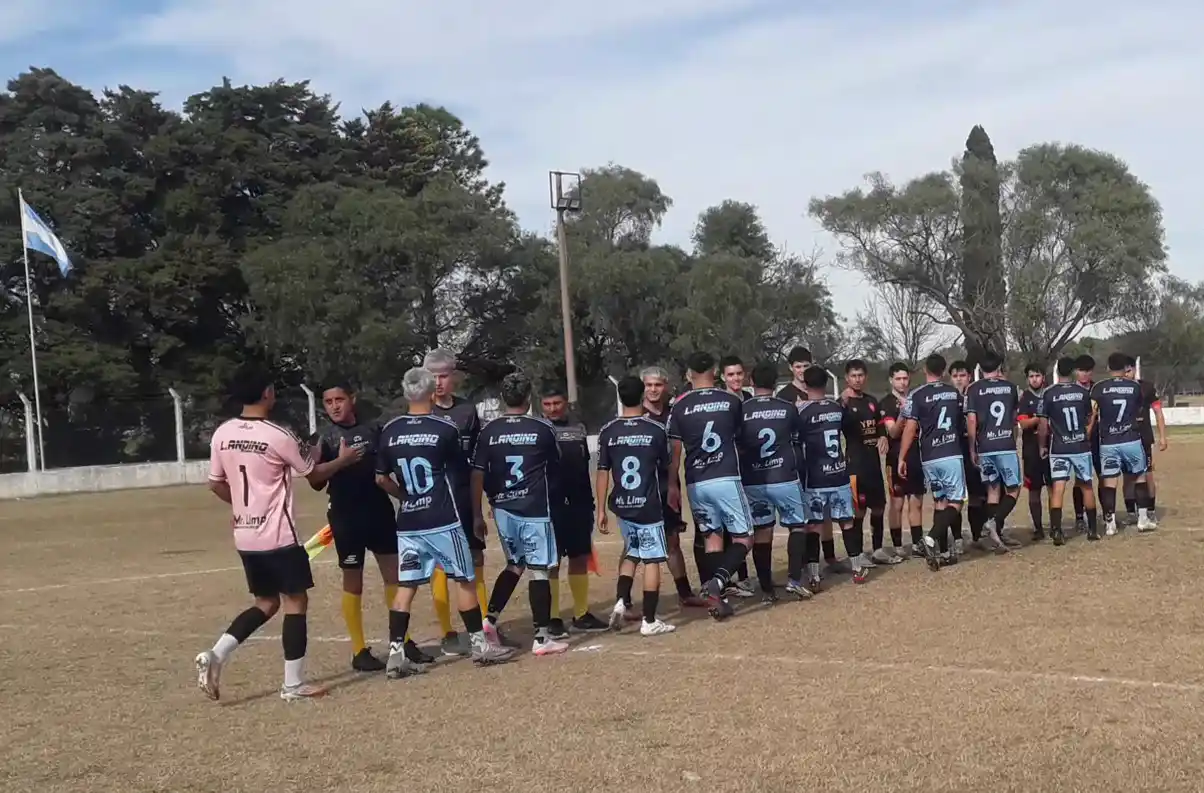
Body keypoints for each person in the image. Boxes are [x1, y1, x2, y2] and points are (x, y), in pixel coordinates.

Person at [195, 364, 362, 702]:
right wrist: (343, 460)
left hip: (245, 535)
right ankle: (293, 684)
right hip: (277, 535)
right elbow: (314, 475)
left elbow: (215, 483)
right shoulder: (276, 434)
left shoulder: (223, 433)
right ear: (267, 393)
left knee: (266, 602)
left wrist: (241, 508)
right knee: (296, 601)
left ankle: (216, 655)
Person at [374, 368, 516, 678]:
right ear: (429, 392)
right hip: (442, 518)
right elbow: (459, 472)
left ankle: (396, 654)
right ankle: (481, 645)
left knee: (406, 586)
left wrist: (405, 495)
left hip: (409, 521)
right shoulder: (444, 429)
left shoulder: (390, 430)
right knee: (464, 578)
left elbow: (381, 478)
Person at [308, 377, 430, 672]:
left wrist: (407, 496)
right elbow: (314, 479)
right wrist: (343, 461)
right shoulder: (321, 437)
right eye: (328, 402)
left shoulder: (375, 429)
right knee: (354, 581)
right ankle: (359, 650)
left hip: (379, 512)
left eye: (339, 399)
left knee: (397, 577)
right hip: (345, 517)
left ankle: (403, 642)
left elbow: (389, 467)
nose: (334, 407)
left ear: (352, 398)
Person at [471, 372, 569, 655]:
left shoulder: (488, 432)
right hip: (535, 509)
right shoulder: (542, 428)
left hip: (502, 508)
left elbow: (477, 474)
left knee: (515, 564)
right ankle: (541, 637)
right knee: (539, 569)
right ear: (529, 398)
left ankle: (489, 620)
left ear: (503, 398)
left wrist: (478, 513)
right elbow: (556, 466)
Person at [668, 351, 753, 621]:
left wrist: (673, 485)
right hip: (726, 476)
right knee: (744, 537)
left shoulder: (679, 405)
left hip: (696, 481)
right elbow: (741, 438)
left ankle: (719, 598)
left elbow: (675, 453)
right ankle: (717, 583)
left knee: (712, 539)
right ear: (716, 371)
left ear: (689, 372)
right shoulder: (730, 400)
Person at [596, 375, 677, 636]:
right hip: (648, 504)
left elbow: (602, 471)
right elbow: (666, 465)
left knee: (631, 552)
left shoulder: (608, 430)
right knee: (652, 559)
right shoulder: (655, 429)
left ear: (619, 396)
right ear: (642, 394)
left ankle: (620, 602)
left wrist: (600, 509)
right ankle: (650, 620)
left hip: (622, 503)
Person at [423, 349, 490, 658]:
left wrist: (478, 508)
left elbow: (478, 461)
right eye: (433, 376)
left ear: (454, 377)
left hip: (464, 498)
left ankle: (485, 626)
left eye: (444, 376)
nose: (438, 382)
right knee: (440, 565)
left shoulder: (467, 411)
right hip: (435, 503)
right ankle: (447, 632)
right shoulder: (422, 412)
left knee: (475, 562)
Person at [738, 361, 810, 602]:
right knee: (797, 526)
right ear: (775, 383)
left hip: (753, 480)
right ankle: (794, 581)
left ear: (751, 383)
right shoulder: (788, 408)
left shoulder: (741, 410)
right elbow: (798, 442)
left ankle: (767, 590)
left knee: (762, 532)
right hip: (784, 478)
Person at [540, 383, 608, 635]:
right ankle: (554, 617)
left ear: (566, 402)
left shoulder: (579, 428)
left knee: (579, 557)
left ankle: (581, 614)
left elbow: (584, 467)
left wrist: (590, 503)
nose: (552, 409)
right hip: (550, 505)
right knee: (552, 562)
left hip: (579, 503)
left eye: (556, 403)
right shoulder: (539, 429)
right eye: (547, 405)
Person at [639, 366, 707, 610]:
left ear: (665, 386)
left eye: (657, 385)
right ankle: (623, 600)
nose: (653, 390)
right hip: (642, 490)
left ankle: (685, 593)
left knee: (673, 541)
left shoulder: (674, 414)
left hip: (669, 486)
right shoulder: (635, 415)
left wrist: (673, 485)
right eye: (648, 385)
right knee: (634, 545)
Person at [797, 366, 868, 586]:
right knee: (847, 521)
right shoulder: (837, 408)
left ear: (805, 385)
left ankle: (814, 575)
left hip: (815, 479)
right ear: (826, 384)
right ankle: (857, 568)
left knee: (815, 526)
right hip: (838, 475)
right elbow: (850, 428)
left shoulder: (801, 411)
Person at [898, 354, 963, 570]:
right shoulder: (954, 393)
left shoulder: (916, 395)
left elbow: (909, 427)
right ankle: (931, 538)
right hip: (951, 452)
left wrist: (902, 456)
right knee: (956, 501)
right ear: (944, 372)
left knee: (940, 502)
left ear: (925, 369)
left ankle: (943, 552)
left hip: (929, 457)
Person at [1089, 353, 1155, 534]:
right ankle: (1143, 519)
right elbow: (1138, 408)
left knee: (1109, 481)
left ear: (1108, 368)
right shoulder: (1134, 386)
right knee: (1139, 477)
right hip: (1131, 439)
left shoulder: (1099, 388)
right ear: (1125, 368)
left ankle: (1110, 524)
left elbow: (1092, 413)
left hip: (1108, 442)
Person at [842, 359, 899, 565]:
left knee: (878, 508)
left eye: (860, 375)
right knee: (858, 510)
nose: (857, 379)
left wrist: (883, 435)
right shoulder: (844, 403)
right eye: (853, 376)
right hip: (856, 465)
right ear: (847, 378)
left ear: (865, 377)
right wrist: (841, 403)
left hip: (873, 464)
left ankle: (877, 550)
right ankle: (856, 555)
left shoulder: (871, 401)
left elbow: (880, 424)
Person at [1036, 357, 1098, 544]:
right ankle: (1093, 531)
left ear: (1057, 371)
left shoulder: (1048, 393)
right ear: (1072, 372)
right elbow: (1088, 419)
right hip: (1080, 446)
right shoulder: (1082, 392)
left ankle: (1056, 531)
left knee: (1058, 488)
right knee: (1086, 485)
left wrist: (1042, 445)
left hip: (1059, 448)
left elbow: (1043, 424)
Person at [964, 353, 1023, 546]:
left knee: (993, 489)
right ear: (999, 367)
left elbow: (971, 420)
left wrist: (972, 448)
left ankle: (995, 535)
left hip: (985, 446)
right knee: (1014, 489)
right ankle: (995, 523)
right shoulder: (1011, 387)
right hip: (1005, 444)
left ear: (980, 369)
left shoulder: (973, 389)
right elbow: (1014, 418)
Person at [717, 354, 754, 595]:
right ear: (722, 377)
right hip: (727, 470)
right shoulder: (720, 402)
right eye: (731, 374)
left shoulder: (749, 399)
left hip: (749, 469)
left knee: (746, 523)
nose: (736, 378)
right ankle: (725, 579)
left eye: (739, 373)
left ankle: (744, 576)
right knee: (730, 527)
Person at [879, 363, 926, 558]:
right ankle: (898, 545)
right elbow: (893, 431)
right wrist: (903, 413)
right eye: (898, 378)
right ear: (891, 380)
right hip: (895, 457)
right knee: (897, 503)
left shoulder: (917, 399)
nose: (902, 382)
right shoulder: (887, 403)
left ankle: (917, 543)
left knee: (916, 502)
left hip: (916, 456)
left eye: (905, 378)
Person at [949, 361, 994, 552]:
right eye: (955, 376)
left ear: (969, 376)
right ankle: (958, 538)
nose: (959, 379)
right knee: (956, 497)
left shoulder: (977, 396)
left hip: (977, 451)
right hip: (955, 452)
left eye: (962, 375)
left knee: (979, 496)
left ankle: (979, 535)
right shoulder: (948, 399)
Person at [1125, 355, 1167, 525]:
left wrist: (1163, 436)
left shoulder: (1147, 388)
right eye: (1124, 371)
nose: (1127, 374)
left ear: (1134, 370)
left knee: (1147, 474)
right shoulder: (1115, 389)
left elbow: (1158, 412)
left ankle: (1150, 510)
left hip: (1143, 438)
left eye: (1129, 370)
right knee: (1128, 477)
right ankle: (1130, 512)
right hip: (1124, 439)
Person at [1017, 363, 1051, 541]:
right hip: (1031, 449)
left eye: (1037, 375)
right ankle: (1038, 528)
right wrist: (1042, 417)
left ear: (1043, 377)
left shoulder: (1051, 394)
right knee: (1034, 489)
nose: (1034, 379)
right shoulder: (1024, 398)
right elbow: (1023, 423)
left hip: (1052, 446)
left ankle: (1055, 524)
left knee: (1054, 487)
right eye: (1031, 376)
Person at [1072, 354, 1098, 531]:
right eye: (1081, 370)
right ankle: (1079, 516)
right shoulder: (1070, 390)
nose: (1084, 374)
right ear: (1075, 372)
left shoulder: (1098, 389)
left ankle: (1107, 513)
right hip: (1078, 441)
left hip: (1099, 439)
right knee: (1080, 480)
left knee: (1103, 478)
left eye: (1088, 371)